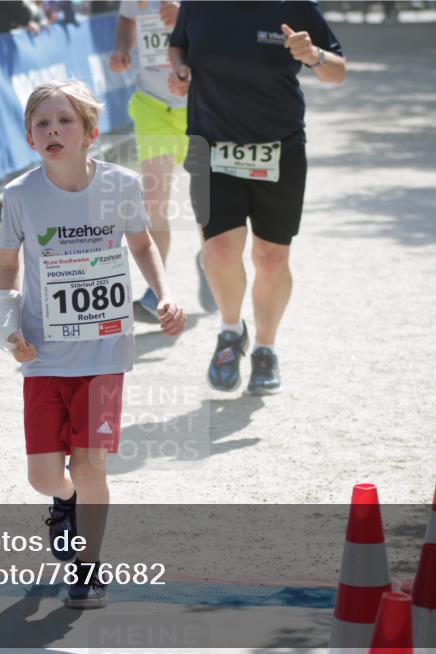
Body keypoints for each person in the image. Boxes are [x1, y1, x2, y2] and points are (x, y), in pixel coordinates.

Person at [0, 80, 185, 609]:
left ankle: (89, 566)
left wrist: (164, 294)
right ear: (31, 138)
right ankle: (64, 503)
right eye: (42, 124)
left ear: (91, 133)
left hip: (105, 355)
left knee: (91, 466)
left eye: (65, 122)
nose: (53, 130)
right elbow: (9, 265)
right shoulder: (20, 195)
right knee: (44, 476)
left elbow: (143, 244)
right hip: (43, 353)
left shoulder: (120, 186)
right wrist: (7, 322)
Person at [168, 1, 345, 394]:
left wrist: (314, 56)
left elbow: (338, 72)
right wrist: (180, 71)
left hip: (279, 147)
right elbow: (178, 44)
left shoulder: (295, 6)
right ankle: (231, 333)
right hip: (211, 144)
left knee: (271, 256)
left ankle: (266, 348)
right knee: (219, 251)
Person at [110, 0, 216, 322]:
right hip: (151, 105)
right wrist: (122, 51)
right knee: (155, 201)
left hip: (201, 102)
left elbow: (225, 30)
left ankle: (210, 262)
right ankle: (157, 291)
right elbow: (127, 20)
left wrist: (185, 14)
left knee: (205, 202)